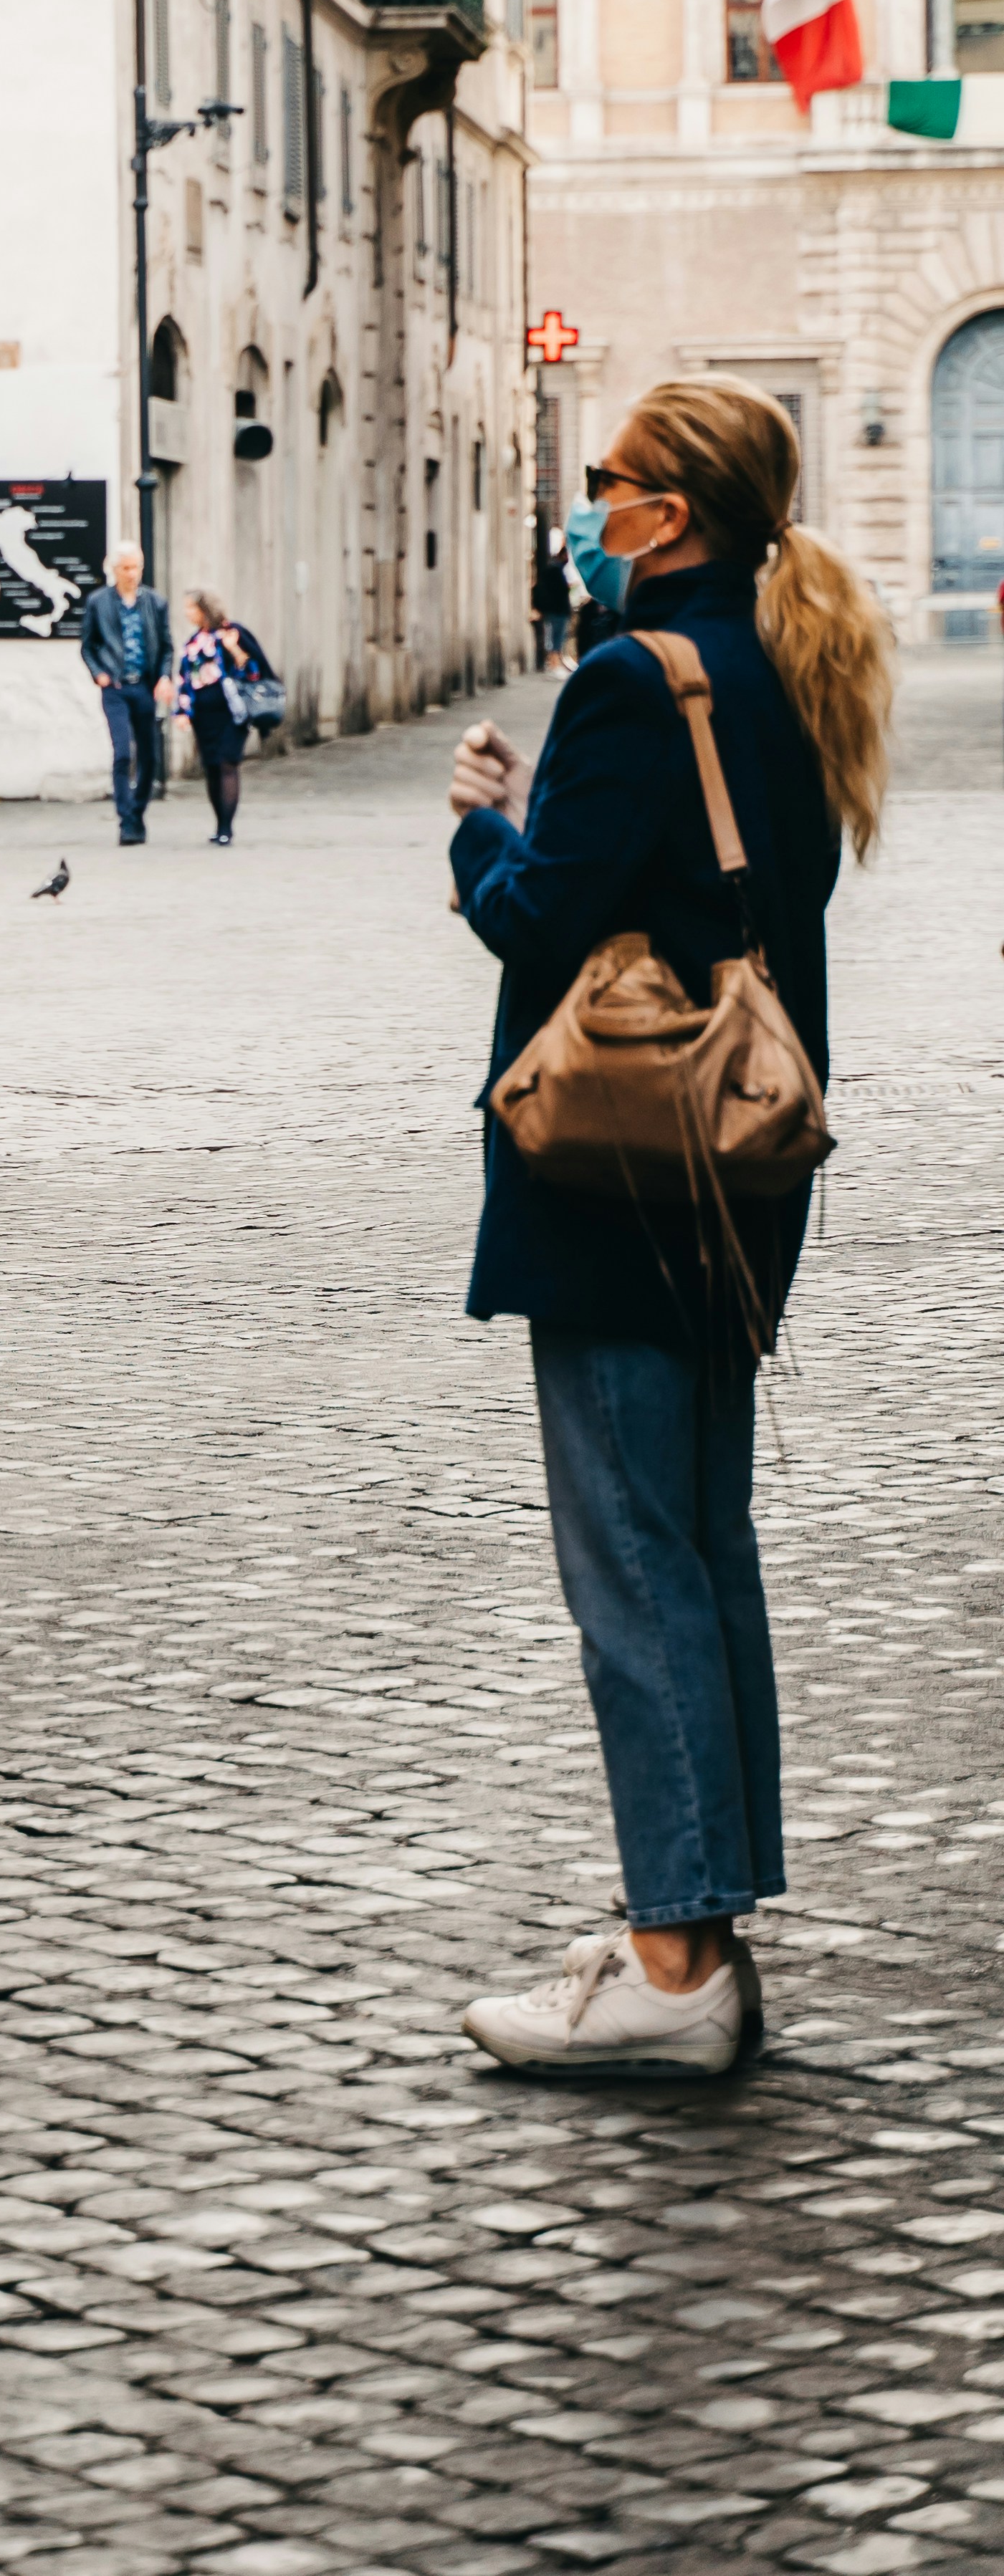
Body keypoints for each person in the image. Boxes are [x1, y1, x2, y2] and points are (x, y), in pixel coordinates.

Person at [442, 379, 892, 2078]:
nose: (591, 502)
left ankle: (674, 1960)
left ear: (669, 509)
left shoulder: (635, 677)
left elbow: (541, 917)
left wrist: (479, 828)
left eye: (607, 479)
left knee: (632, 1562)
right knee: (700, 1544)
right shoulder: (783, 662)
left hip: (619, 1170)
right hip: (737, 1164)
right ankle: (696, 1918)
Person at [79, 541, 173, 845]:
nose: (132, 574)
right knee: (122, 753)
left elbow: (167, 646)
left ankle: (137, 812)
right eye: (126, 568)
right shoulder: (99, 602)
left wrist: (165, 677)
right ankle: (126, 820)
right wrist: (99, 673)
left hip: (145, 686)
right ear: (114, 570)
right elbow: (88, 646)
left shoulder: (155, 602)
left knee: (149, 755)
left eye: (136, 567)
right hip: (116, 688)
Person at [170, 589, 270, 846]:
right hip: (204, 717)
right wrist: (182, 712)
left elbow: (254, 672)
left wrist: (234, 649)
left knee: (227, 763)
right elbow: (185, 679)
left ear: (204, 610)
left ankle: (227, 828)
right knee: (212, 768)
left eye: (191, 607)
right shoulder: (193, 642)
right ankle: (219, 825)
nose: (186, 613)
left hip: (232, 714)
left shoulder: (231, 633)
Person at [533, 527, 572, 673]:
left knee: (554, 636)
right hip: (558, 610)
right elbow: (558, 591)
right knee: (557, 637)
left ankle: (554, 663)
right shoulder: (556, 570)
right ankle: (554, 664)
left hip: (554, 610)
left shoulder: (553, 569)